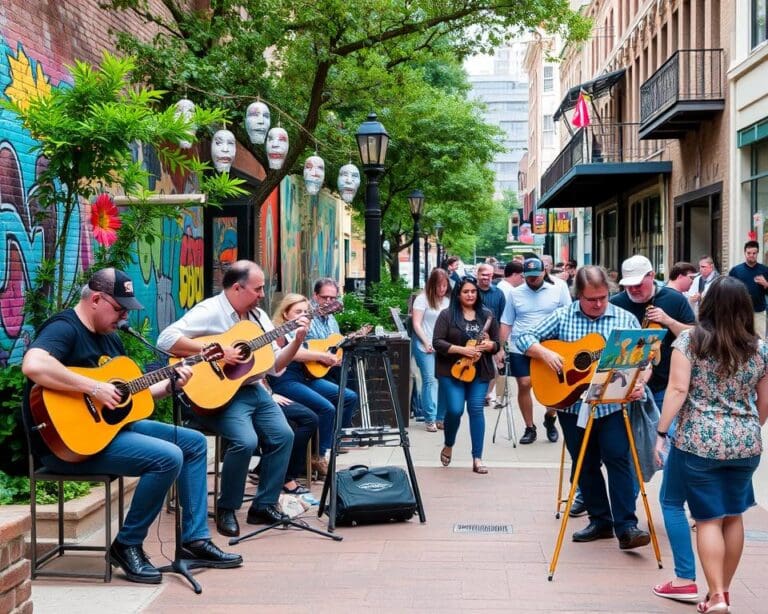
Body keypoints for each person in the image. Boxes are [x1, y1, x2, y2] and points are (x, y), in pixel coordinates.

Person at [21, 268, 242, 584]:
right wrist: (93, 388)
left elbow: (133, 395)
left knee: (192, 443)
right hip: (66, 444)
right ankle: (127, 544)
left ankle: (194, 540)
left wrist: (169, 384)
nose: (124, 316)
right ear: (96, 299)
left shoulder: (111, 339)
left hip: (109, 433)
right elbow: (34, 363)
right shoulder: (64, 328)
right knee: (167, 457)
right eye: (119, 308)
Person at [157, 260, 308, 537]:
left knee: (284, 435)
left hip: (250, 389)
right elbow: (165, 340)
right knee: (245, 441)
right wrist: (214, 350)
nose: (262, 294)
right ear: (237, 288)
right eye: (257, 289)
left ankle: (263, 506)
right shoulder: (210, 310)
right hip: (214, 393)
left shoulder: (259, 317)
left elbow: (274, 367)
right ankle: (227, 508)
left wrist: (296, 340)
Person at [653, 277, 768, 613]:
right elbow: (765, 401)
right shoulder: (760, 348)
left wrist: (661, 433)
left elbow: (677, 391)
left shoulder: (690, 341)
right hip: (746, 443)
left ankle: (716, 595)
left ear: (707, 305)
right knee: (733, 516)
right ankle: (724, 591)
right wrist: (746, 427)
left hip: (698, 442)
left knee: (707, 519)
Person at [516, 265, 651, 550]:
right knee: (584, 463)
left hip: (611, 405)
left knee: (618, 459)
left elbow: (642, 361)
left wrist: (639, 381)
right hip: (572, 406)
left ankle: (627, 526)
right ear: (578, 296)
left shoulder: (624, 318)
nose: (599, 304)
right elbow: (521, 338)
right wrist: (544, 352)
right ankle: (600, 521)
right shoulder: (563, 317)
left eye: (603, 297)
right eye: (592, 299)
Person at [266, 288, 358, 479]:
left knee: (347, 396)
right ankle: (318, 456)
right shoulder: (278, 331)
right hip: (285, 381)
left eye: (304, 312)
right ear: (285, 313)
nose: (302, 316)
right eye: (297, 312)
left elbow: (312, 347)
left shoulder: (303, 328)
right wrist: (324, 356)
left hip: (304, 378)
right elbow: (297, 354)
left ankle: (329, 443)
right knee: (326, 408)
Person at [499, 257, 572, 444]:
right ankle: (529, 427)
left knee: (554, 385)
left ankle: (550, 417)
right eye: (528, 276)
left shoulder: (559, 287)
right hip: (521, 345)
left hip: (550, 345)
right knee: (525, 383)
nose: (532, 280)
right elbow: (507, 321)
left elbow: (569, 315)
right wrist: (500, 347)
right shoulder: (515, 294)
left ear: (544, 272)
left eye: (536, 276)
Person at [433, 276, 500, 474]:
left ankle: (477, 458)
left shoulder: (487, 315)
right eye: (466, 292)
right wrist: (462, 350)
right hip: (452, 370)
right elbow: (437, 342)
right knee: (454, 410)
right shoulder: (447, 315)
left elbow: (496, 344)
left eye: (473, 291)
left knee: (476, 408)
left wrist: (491, 345)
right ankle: (449, 443)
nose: (470, 295)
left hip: (480, 371)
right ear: (458, 294)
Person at [411, 268, 450, 432]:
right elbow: (416, 323)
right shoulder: (422, 299)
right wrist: (426, 342)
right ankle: (430, 417)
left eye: (445, 286)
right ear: (432, 285)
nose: (442, 289)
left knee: (444, 381)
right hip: (424, 343)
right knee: (430, 379)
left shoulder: (448, 301)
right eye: (439, 286)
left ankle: (441, 417)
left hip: (442, 345)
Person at [475, 263, 506, 406]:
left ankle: (486, 394)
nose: (486, 278)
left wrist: (500, 344)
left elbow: (503, 318)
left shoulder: (498, 293)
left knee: (494, 368)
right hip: (473, 335)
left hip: (493, 336)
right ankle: (477, 394)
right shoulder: (472, 291)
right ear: (478, 275)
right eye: (484, 275)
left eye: (489, 275)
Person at [729, 240, 768, 337]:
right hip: (740, 313)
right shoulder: (736, 270)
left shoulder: (764, 270)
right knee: (741, 340)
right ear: (744, 253)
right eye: (749, 253)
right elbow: (728, 291)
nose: (751, 255)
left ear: (757, 253)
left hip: (759, 312)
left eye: (754, 253)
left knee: (761, 340)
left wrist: (766, 284)